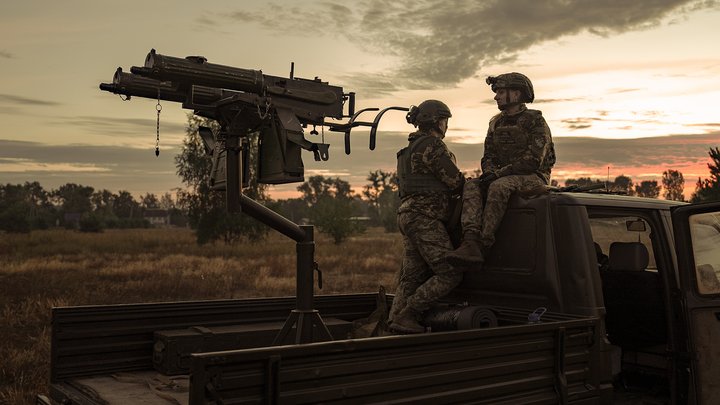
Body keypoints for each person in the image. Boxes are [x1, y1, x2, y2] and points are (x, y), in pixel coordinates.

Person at [446, 72, 556, 267]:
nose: (496, 96)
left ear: (516, 94)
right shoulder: (496, 123)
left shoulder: (535, 121)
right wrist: (489, 171)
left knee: (498, 186)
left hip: (534, 177)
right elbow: (488, 155)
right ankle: (470, 241)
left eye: (501, 92)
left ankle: (483, 244)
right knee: (472, 185)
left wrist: (498, 174)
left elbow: (533, 161)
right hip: (502, 175)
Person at [389, 99, 466, 334]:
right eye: (444, 120)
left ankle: (393, 323)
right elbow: (455, 181)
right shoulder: (432, 145)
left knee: (411, 276)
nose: (446, 125)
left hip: (408, 215)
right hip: (425, 218)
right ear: (436, 121)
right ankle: (409, 314)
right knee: (450, 273)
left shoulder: (408, 150)